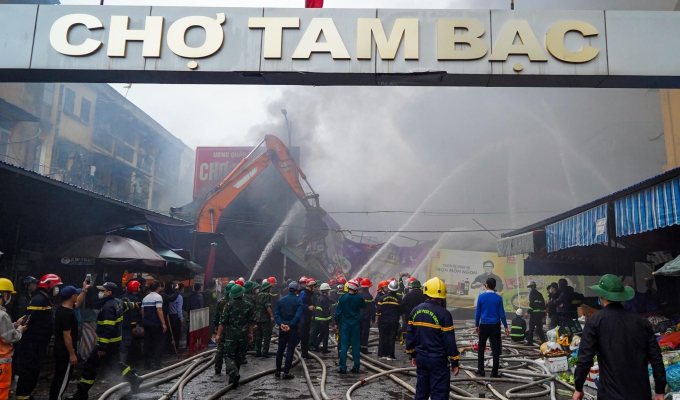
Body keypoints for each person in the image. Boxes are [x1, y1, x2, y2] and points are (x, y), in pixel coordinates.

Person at [572, 274, 666, 400]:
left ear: (602, 296)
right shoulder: (641, 321)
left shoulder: (595, 321)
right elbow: (656, 357)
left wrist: (578, 388)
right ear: (622, 297)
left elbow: (585, 358)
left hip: (610, 394)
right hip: (640, 392)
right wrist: (660, 390)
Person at [67, 282, 142, 400]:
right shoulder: (117, 302)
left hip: (107, 343)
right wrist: (135, 305)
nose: (101, 292)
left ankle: (82, 394)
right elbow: (127, 305)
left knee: (89, 366)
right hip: (115, 342)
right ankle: (134, 378)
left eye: (103, 290)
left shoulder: (108, 307)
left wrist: (101, 347)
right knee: (114, 365)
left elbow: (108, 329)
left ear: (109, 292)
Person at [406, 277, 460, 400]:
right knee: (439, 394)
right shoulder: (444, 314)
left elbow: (410, 334)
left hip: (421, 358)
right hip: (438, 360)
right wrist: (454, 361)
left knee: (421, 392)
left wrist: (412, 354)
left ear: (426, 291)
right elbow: (449, 340)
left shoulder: (415, 311)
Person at [17, 273, 62, 400]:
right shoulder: (39, 300)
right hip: (32, 343)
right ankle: (22, 396)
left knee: (34, 370)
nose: (57, 289)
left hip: (39, 343)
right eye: (55, 286)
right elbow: (29, 319)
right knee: (28, 370)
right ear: (48, 286)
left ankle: (27, 394)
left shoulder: (44, 299)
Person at [50, 284, 87, 400]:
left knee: (59, 375)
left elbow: (78, 303)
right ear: (72, 296)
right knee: (63, 377)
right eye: (76, 294)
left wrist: (84, 290)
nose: (77, 296)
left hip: (60, 348)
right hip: (65, 351)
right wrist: (72, 354)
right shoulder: (67, 314)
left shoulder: (63, 308)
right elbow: (67, 336)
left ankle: (54, 396)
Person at [214, 284, 254, 388]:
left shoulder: (228, 305)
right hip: (244, 335)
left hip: (231, 335)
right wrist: (251, 334)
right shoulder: (248, 305)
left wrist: (218, 335)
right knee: (239, 356)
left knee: (229, 356)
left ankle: (233, 374)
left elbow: (223, 322)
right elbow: (251, 322)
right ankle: (234, 376)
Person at [474, 277, 508, 378]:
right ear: (494, 286)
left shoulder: (481, 297)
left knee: (481, 347)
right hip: (495, 325)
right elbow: (502, 314)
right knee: (496, 349)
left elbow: (477, 313)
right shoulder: (498, 298)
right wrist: (506, 326)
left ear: (487, 285)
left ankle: (481, 370)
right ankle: (494, 372)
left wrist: (476, 325)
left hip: (484, 325)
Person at [0, 278, 27, 400]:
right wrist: (20, 329)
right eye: (9, 294)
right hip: (2, 362)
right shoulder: (3, 315)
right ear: (4, 294)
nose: (9, 297)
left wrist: (14, 324)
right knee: (2, 390)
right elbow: (10, 337)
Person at [335, 279, 366, 373]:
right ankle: (356, 366)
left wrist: (336, 323)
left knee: (344, 346)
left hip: (345, 325)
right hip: (355, 325)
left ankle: (342, 368)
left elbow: (338, 312)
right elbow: (364, 306)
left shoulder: (342, 298)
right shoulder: (359, 298)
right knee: (356, 345)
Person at [274, 281, 303, 379]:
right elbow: (298, 315)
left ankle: (277, 370)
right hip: (292, 328)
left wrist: (281, 324)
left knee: (280, 349)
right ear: (296, 290)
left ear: (288, 288)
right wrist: (290, 325)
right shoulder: (298, 301)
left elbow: (276, 313)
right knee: (290, 350)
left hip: (282, 328)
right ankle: (286, 372)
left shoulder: (281, 300)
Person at [142, 281, 167, 370]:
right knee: (158, 343)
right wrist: (163, 323)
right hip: (156, 324)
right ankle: (156, 364)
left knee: (147, 343)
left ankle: (147, 364)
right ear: (158, 288)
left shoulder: (145, 298)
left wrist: (144, 321)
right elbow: (159, 310)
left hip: (147, 324)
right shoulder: (158, 297)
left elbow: (142, 312)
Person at [377, 280, 402, 361]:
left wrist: (377, 320)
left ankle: (381, 354)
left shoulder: (382, 298)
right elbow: (401, 311)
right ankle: (390, 355)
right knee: (392, 338)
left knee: (383, 337)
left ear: (389, 288)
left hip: (383, 321)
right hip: (394, 321)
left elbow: (378, 311)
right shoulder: (398, 299)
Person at [119, 280, 142, 363]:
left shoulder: (121, 297)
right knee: (126, 343)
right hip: (128, 324)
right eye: (138, 287)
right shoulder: (135, 299)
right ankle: (122, 363)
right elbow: (133, 313)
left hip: (120, 323)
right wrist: (133, 326)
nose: (139, 289)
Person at [213, 282, 232, 375]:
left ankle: (217, 368)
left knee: (220, 348)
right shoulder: (234, 302)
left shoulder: (220, 301)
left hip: (221, 328)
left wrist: (216, 327)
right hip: (232, 329)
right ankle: (230, 369)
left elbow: (216, 315)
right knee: (230, 350)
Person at [254, 280, 275, 358]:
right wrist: (271, 316)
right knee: (267, 336)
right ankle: (265, 352)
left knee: (258, 336)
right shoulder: (267, 295)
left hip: (258, 319)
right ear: (267, 288)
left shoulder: (258, 294)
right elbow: (267, 306)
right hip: (265, 319)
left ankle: (257, 351)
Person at [312, 283, 332, 354]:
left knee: (322, 334)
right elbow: (326, 311)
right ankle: (324, 349)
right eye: (328, 290)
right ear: (325, 291)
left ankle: (316, 345)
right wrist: (330, 319)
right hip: (324, 320)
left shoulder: (319, 298)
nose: (329, 292)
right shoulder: (324, 300)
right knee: (325, 334)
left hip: (318, 320)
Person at [297, 277, 314, 359]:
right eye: (315, 287)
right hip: (302, 319)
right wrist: (308, 307)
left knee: (306, 336)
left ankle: (305, 353)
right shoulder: (303, 293)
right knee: (300, 336)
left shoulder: (308, 293)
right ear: (311, 286)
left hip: (306, 318)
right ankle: (289, 351)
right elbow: (299, 304)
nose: (316, 289)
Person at [525, 281, 546, 346]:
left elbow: (531, 304)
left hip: (534, 315)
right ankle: (543, 341)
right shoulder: (540, 294)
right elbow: (543, 305)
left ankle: (529, 342)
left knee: (531, 328)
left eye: (529, 287)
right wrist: (543, 315)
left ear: (531, 287)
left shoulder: (532, 294)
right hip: (539, 315)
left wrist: (527, 312)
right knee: (539, 328)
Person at [357, 278, 375, 355]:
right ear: (368, 287)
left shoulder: (358, 295)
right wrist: (373, 318)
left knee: (358, 332)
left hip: (358, 318)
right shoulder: (369, 296)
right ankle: (363, 349)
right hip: (366, 318)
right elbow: (372, 308)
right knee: (365, 333)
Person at [168, 283, 184, 352]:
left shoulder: (170, 296)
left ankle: (169, 348)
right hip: (175, 316)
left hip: (169, 316)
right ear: (181, 289)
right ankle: (175, 348)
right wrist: (181, 318)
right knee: (176, 334)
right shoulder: (179, 297)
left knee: (170, 333)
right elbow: (179, 309)